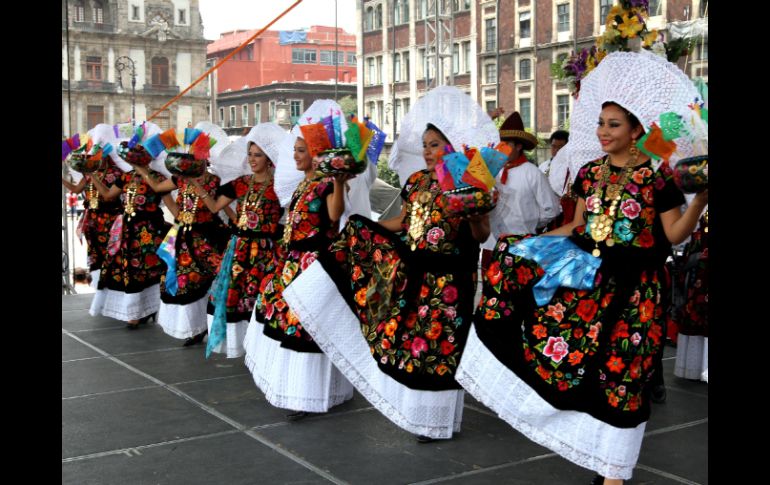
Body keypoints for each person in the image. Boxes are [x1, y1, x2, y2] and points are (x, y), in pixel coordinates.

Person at [455, 50, 708, 484]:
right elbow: (577, 226)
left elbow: (672, 234)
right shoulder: (589, 174)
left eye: (614, 125)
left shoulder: (658, 178)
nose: (604, 131)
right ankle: (600, 458)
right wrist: (530, 245)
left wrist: (700, 200)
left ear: (636, 130)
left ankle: (614, 474)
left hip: (638, 292)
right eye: (601, 123)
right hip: (590, 283)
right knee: (580, 367)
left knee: (624, 377)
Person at [282, 86, 499, 442]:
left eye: (435, 144)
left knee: (442, 344)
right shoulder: (416, 181)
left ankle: (440, 421)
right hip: (417, 271)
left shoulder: (468, 184)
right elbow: (402, 221)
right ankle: (420, 418)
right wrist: (366, 226)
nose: (427, 151)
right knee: (414, 342)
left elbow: (480, 234)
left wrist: (475, 215)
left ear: (452, 146)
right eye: (425, 145)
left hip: (451, 276)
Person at [244, 100, 354, 420]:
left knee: (304, 327)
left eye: (301, 150)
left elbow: (334, 215)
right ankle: (301, 391)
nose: (295, 155)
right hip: (291, 260)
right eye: (294, 149)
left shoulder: (326, 183)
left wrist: (339, 180)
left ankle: (307, 395)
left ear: (316, 154)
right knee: (284, 321)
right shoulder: (303, 183)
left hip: (313, 264)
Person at [135, 129, 229, 347]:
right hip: (183, 236)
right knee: (185, 281)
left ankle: (208, 325)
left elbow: (218, 209)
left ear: (205, 159)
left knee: (207, 280)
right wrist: (140, 168)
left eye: (199, 157)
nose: (195, 161)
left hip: (207, 236)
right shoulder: (180, 179)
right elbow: (158, 188)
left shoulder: (215, 181)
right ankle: (195, 327)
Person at [202, 123, 287, 358]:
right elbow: (214, 207)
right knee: (235, 296)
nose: (252, 159)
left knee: (262, 296)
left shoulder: (280, 186)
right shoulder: (241, 183)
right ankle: (241, 346)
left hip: (266, 249)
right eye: (250, 154)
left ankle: (262, 349)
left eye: (257, 155)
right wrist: (197, 186)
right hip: (239, 248)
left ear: (268, 159)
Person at [88, 123, 171, 328]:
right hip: (126, 230)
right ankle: (134, 312)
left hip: (148, 231)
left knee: (147, 268)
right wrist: (91, 175)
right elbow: (108, 195)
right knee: (128, 269)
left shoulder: (157, 178)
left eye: (141, 153)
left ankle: (148, 310)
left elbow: (171, 205)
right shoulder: (125, 176)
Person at [481, 112, 560, 269]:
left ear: (519, 146)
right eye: (499, 144)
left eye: (506, 144)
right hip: (491, 245)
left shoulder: (532, 173)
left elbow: (551, 209)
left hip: (522, 245)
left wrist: (530, 222)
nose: (501, 149)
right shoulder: (490, 171)